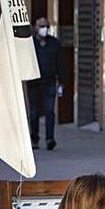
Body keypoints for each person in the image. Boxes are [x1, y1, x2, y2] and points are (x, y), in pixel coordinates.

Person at [27, 17, 61, 151]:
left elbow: (60, 63)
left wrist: (62, 82)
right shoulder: (30, 44)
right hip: (34, 84)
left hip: (49, 83)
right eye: (41, 26)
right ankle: (34, 139)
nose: (44, 29)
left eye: (46, 26)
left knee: (49, 112)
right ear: (36, 28)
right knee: (34, 113)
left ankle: (49, 139)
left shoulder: (54, 43)